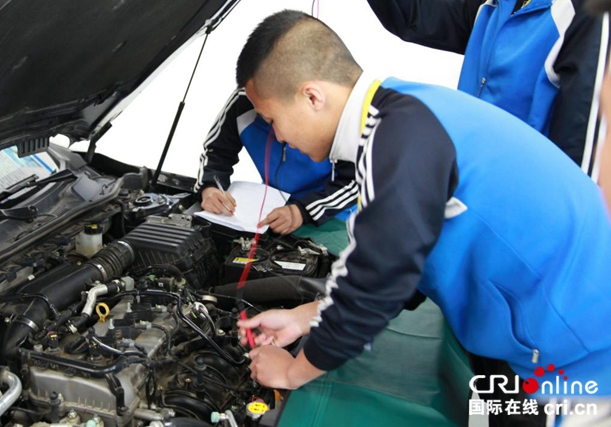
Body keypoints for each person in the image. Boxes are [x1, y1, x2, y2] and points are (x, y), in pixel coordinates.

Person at [235, 10, 611, 426]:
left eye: (272, 121)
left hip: (573, 357)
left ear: (311, 96)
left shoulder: (397, 137)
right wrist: (304, 317)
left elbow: (377, 283)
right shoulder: (404, 111)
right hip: (541, 333)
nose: (279, 137)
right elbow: (404, 255)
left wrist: (291, 370)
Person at [365, 0, 609, 175]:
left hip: (524, 219)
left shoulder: (586, 14)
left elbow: (583, 165)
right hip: (471, 193)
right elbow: (415, 13)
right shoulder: (499, 3)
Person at [194, 89, 357, 235]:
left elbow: (357, 181)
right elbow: (217, 151)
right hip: (271, 207)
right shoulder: (244, 98)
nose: (279, 136)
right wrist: (210, 187)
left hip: (335, 213)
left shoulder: (336, 111)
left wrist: (302, 211)